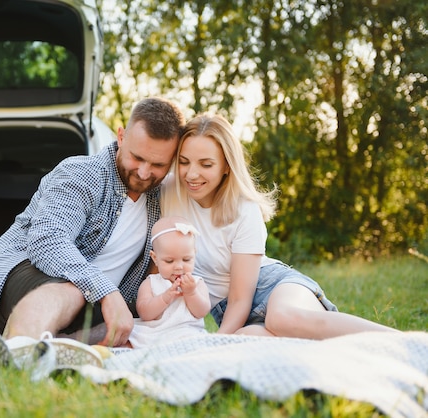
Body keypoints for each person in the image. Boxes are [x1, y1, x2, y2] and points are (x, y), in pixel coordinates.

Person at [0, 97, 186, 347]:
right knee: (72, 291)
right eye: (137, 158)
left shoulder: (163, 197)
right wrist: (106, 291)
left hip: (92, 309)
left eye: (158, 164)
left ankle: (58, 347)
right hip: (20, 281)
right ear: (122, 137)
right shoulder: (82, 173)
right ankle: (19, 352)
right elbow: (47, 241)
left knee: (124, 329)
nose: (145, 172)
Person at [161, 113, 399, 339]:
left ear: (226, 166)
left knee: (280, 319)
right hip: (236, 316)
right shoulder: (169, 192)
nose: (192, 174)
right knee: (246, 338)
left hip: (273, 288)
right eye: (184, 162)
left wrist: (216, 342)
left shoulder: (244, 208)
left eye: (206, 164)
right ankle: (333, 345)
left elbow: (240, 299)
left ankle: (404, 341)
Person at [127, 216, 211, 348]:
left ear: (194, 254)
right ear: (155, 258)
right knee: (127, 336)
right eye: (169, 261)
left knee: (196, 342)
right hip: (152, 332)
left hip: (185, 332)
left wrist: (191, 293)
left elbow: (201, 312)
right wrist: (164, 298)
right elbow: (144, 313)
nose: (179, 267)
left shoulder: (196, 283)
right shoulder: (150, 283)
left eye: (186, 259)